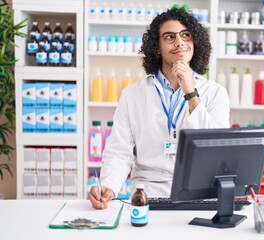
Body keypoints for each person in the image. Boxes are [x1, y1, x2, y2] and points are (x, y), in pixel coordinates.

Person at [89, 7, 230, 209]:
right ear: (156, 47)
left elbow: (217, 150)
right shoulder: (133, 94)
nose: (180, 42)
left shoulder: (215, 93)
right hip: (148, 196)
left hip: (200, 195)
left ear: (194, 42)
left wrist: (190, 92)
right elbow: (119, 150)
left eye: (186, 35)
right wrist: (109, 186)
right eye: (169, 37)